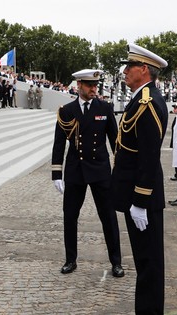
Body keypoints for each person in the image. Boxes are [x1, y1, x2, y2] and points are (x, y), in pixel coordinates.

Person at [110, 44, 168, 314]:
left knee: (149, 264)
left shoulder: (148, 101)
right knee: (145, 261)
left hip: (142, 196)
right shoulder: (140, 98)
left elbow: (147, 154)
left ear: (144, 69)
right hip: (136, 193)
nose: (124, 72)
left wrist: (141, 200)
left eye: (129, 67)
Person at [51, 69, 124, 278]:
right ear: (79, 86)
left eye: (96, 85)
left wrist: (119, 169)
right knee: (70, 217)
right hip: (76, 170)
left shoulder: (105, 108)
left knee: (108, 217)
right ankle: (70, 259)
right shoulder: (67, 110)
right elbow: (58, 143)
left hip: (100, 170)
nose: (94, 89)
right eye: (90, 85)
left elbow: (115, 140)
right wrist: (57, 174)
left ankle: (116, 262)